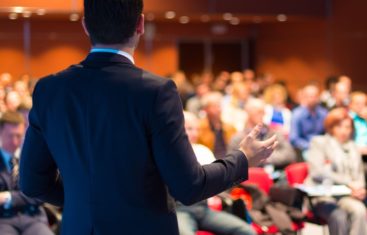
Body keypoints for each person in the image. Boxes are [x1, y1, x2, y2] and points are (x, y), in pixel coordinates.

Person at [19, 1, 277, 235]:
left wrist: (85, 198)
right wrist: (242, 159)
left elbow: (31, 183)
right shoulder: (155, 92)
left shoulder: (49, 89)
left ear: (85, 26)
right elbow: (189, 186)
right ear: (140, 24)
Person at [176, 112, 255, 235]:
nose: (195, 134)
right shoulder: (171, 155)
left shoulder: (203, 150)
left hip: (203, 209)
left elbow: (218, 179)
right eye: (190, 129)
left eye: (197, 129)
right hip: (181, 210)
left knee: (246, 231)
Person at [306, 108, 367, 235]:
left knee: (359, 210)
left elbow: (359, 172)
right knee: (339, 216)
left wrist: (360, 188)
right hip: (323, 195)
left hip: (347, 195)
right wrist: (349, 182)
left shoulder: (353, 146)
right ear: (331, 127)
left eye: (347, 127)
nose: (344, 131)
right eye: (339, 126)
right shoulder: (320, 142)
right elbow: (317, 172)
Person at [0, 112, 53, 235]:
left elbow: (40, 194)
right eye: (10, 136)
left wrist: (8, 197)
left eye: (18, 136)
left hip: (33, 218)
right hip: (3, 220)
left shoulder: (32, 156)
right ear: (0, 132)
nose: (14, 142)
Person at [290, 84, 328, 156]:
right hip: (304, 149)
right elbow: (294, 139)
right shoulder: (297, 114)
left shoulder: (324, 113)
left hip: (322, 147)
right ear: (304, 97)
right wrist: (310, 146)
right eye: (310, 96)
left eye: (315, 96)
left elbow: (328, 133)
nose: (313, 99)